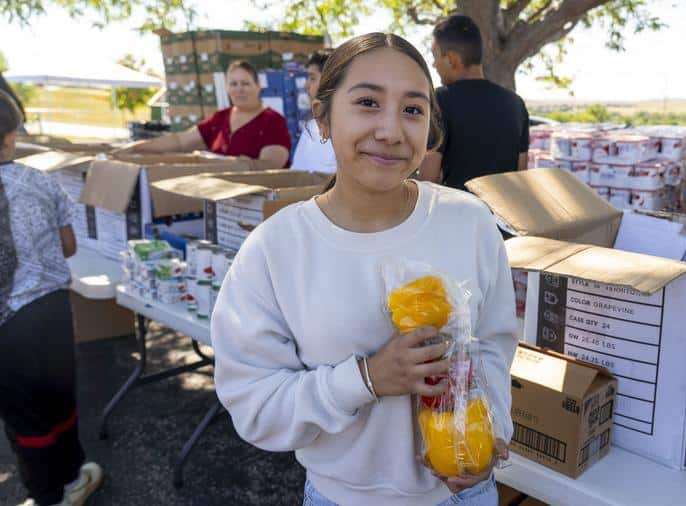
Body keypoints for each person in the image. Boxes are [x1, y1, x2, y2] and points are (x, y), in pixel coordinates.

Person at [211, 33, 517, 506]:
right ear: (324, 118)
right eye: (368, 102)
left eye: (413, 110)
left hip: (467, 492)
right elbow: (253, 403)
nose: (391, 131)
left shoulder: (469, 221)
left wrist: (488, 424)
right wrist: (367, 379)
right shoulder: (277, 248)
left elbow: (495, 343)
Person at [0, 90, 103, 506]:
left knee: (25, 417)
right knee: (59, 398)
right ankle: (72, 473)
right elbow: (68, 244)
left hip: (7, 322)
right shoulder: (39, 181)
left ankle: (47, 495)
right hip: (53, 310)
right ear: (13, 133)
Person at [420, 15, 530, 191]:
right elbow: (521, 173)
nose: (434, 65)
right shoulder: (516, 103)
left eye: (435, 57)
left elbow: (428, 181)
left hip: (458, 214)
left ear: (452, 59)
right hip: (504, 216)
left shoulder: (440, 100)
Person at [117, 60, 292, 169]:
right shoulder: (220, 118)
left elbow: (270, 166)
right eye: (233, 84)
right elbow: (179, 141)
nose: (239, 89)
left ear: (258, 86)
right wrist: (135, 148)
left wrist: (223, 162)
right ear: (227, 88)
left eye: (245, 83)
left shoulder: (273, 121)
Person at [290, 49, 337, 173]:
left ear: (331, 80)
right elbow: (297, 174)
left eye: (312, 78)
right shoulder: (310, 128)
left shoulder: (351, 131)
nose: (306, 85)